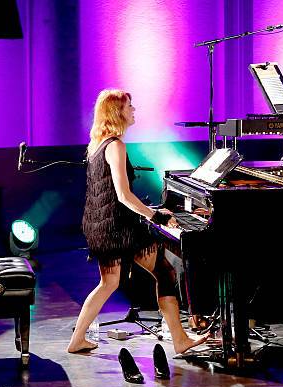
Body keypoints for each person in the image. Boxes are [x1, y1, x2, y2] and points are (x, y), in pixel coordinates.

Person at [67, 89, 208, 354]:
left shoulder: (97, 145)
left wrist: (149, 210)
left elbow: (111, 194)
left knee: (108, 283)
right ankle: (180, 340)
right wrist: (154, 215)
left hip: (101, 226)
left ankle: (77, 340)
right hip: (120, 229)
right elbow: (123, 195)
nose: (134, 110)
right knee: (164, 272)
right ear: (116, 111)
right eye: (129, 106)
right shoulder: (116, 146)